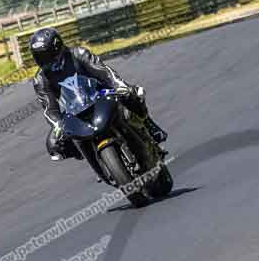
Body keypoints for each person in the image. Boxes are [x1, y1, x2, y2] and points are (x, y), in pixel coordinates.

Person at [29, 28, 167, 170]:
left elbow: (105, 73)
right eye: (39, 57)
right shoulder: (40, 79)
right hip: (73, 109)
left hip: (100, 94)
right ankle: (97, 164)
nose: (43, 60)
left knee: (132, 94)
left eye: (46, 54)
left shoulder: (78, 54)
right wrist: (57, 124)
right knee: (55, 143)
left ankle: (149, 125)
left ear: (56, 47)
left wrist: (120, 86)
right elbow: (49, 108)